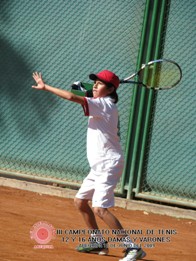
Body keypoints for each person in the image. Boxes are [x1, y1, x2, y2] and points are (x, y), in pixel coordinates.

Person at [32, 70, 146, 261]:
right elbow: (82, 90)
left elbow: (70, 96)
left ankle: (133, 248)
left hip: (108, 164)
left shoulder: (104, 105)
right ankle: (98, 242)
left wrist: (46, 87)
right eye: (94, 82)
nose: (94, 85)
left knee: (99, 208)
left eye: (100, 83)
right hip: (99, 165)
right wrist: (83, 86)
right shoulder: (102, 100)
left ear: (110, 89)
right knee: (80, 201)